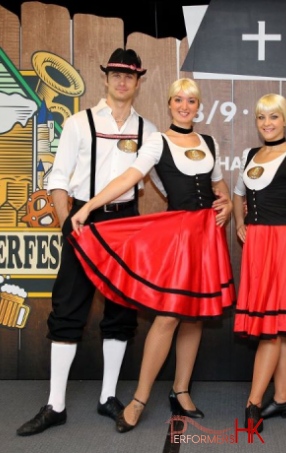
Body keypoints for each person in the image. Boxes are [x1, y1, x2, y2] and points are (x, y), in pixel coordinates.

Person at [68, 77, 235, 433]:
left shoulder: (208, 142)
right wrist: (89, 207)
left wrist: (230, 203)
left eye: (191, 100)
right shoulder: (157, 141)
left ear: (198, 105)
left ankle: (181, 390)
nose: (185, 106)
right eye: (178, 99)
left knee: (196, 317)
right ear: (170, 103)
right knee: (169, 317)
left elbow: (219, 185)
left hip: (207, 238)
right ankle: (140, 398)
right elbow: (129, 178)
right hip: (178, 239)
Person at [16, 48, 158, 437]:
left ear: (139, 80)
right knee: (67, 308)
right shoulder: (79, 123)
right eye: (116, 74)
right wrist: (67, 224)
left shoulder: (149, 130)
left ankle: (107, 396)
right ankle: (55, 404)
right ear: (106, 77)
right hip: (83, 221)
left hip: (126, 223)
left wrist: (211, 197)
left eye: (129, 75)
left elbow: (166, 182)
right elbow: (58, 178)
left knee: (121, 310)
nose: (122, 81)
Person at [233, 93, 286, 433]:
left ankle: (253, 402)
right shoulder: (250, 155)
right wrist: (240, 221)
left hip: (285, 246)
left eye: (274, 116)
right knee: (277, 325)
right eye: (261, 117)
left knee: (270, 329)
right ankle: (283, 395)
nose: (267, 123)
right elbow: (239, 191)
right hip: (257, 247)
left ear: (285, 120)